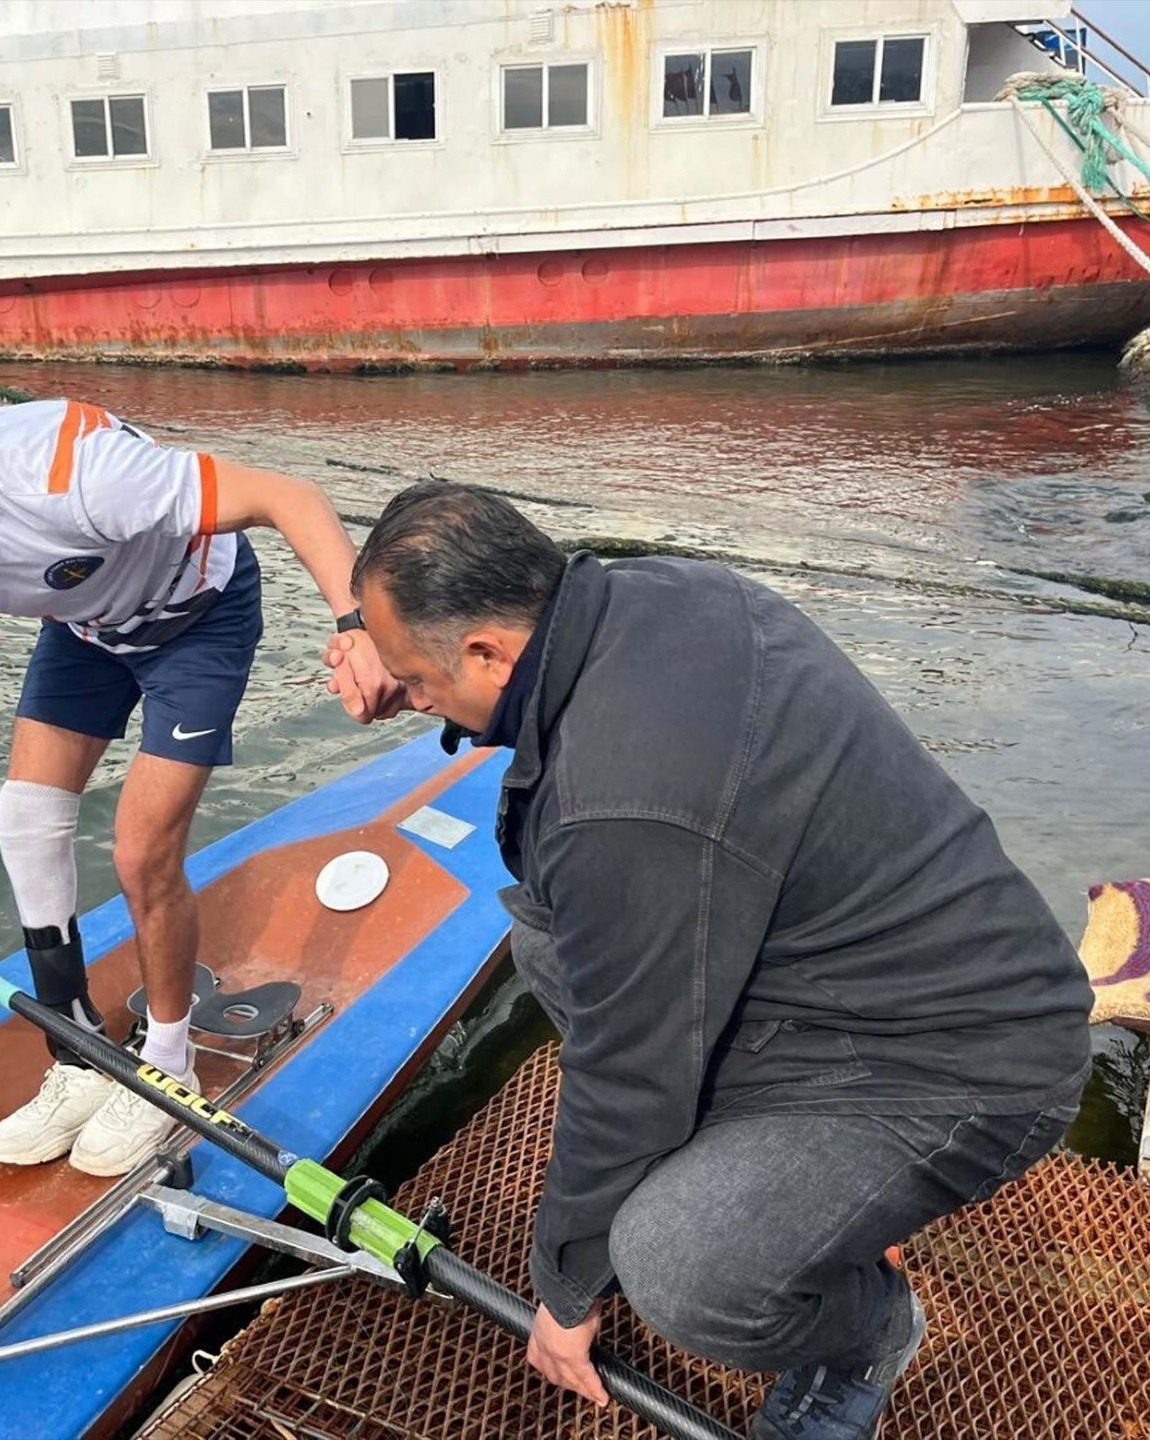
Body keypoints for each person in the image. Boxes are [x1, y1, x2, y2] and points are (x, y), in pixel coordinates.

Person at [326, 482, 1092, 1440]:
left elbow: (627, 1070)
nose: (419, 701)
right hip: (868, 976)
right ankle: (785, 1189)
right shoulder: (664, 594)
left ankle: (869, 1328)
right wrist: (402, 656)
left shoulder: (620, 811)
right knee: (548, 935)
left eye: (423, 681)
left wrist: (567, 1289)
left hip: (966, 1068)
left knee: (682, 1271)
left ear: (487, 648)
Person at [0, 400, 395, 1178]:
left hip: (198, 616)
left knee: (141, 851)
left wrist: (359, 627)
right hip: (85, 627)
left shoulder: (75, 476)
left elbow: (287, 496)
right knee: (21, 819)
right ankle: (79, 1048)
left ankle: (167, 1065)